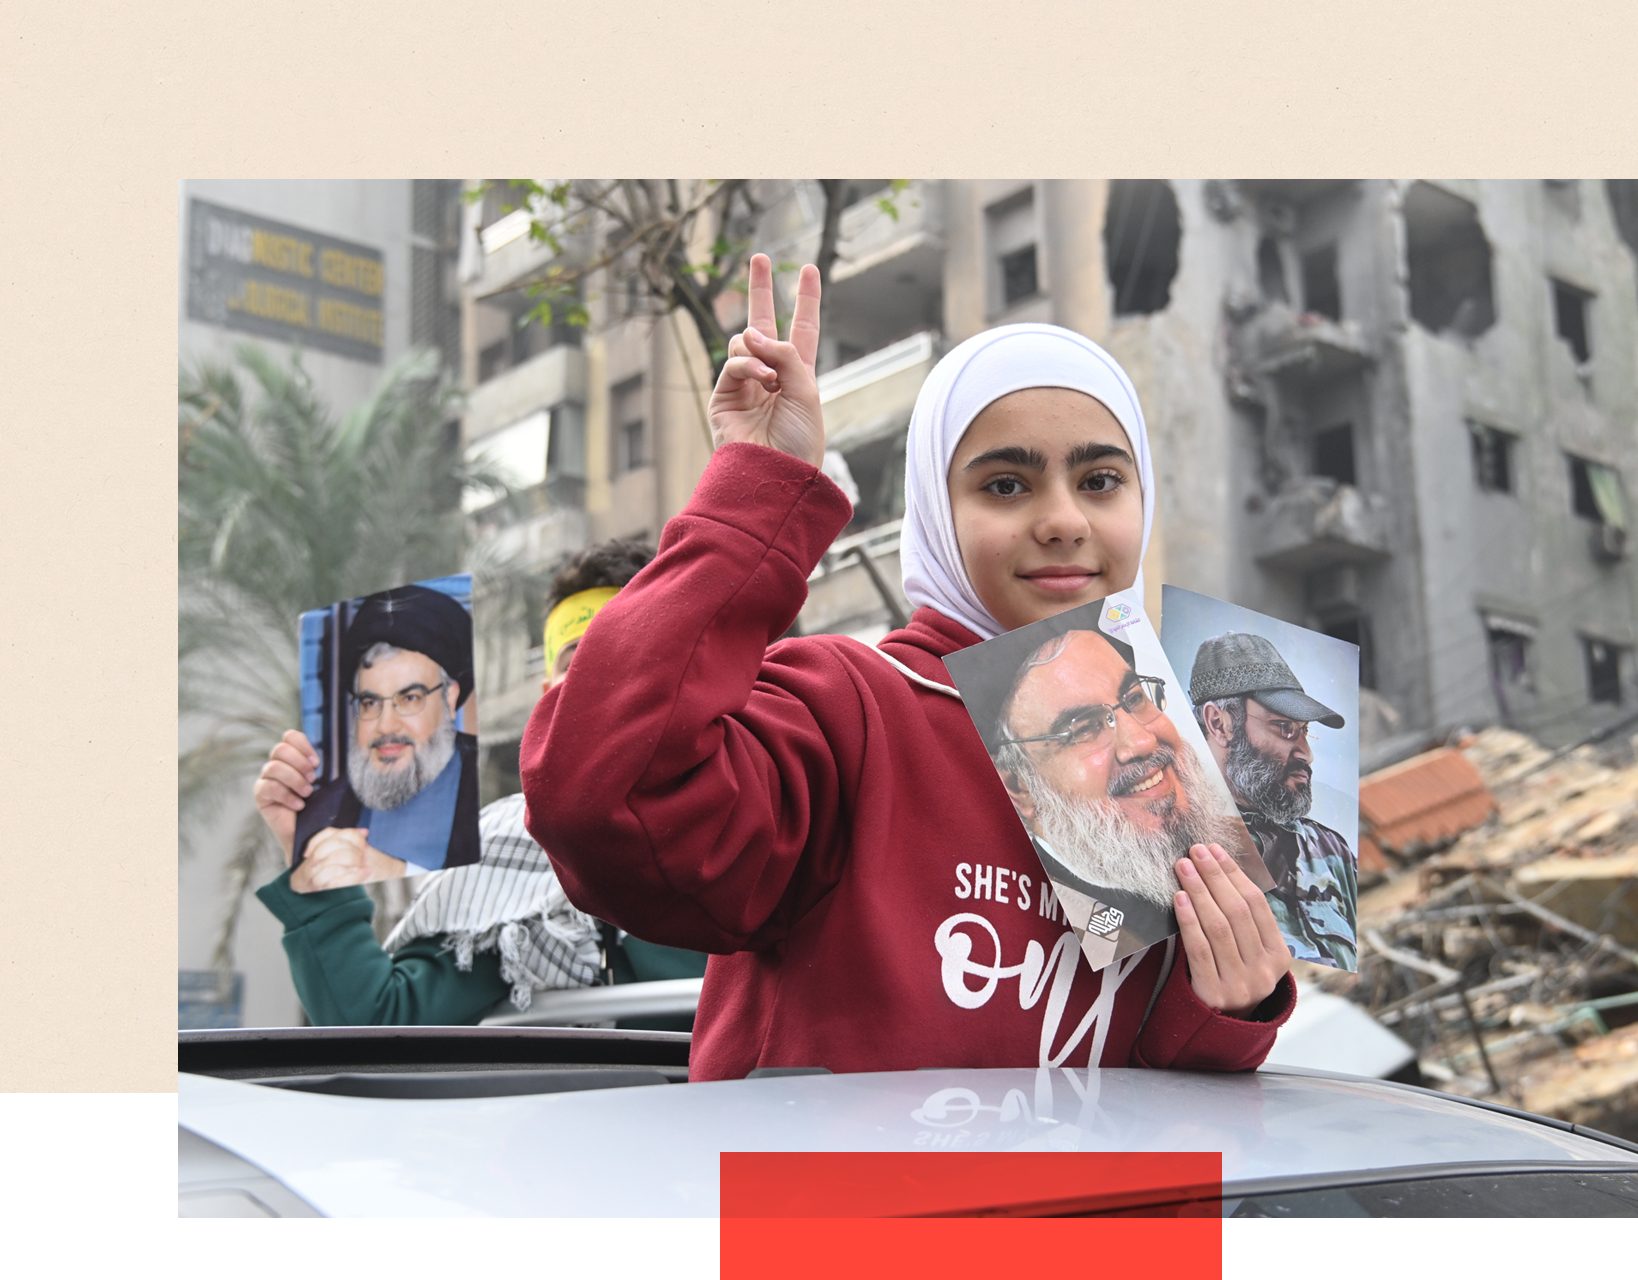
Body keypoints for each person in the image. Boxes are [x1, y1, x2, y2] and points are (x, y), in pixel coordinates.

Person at [522, 254, 1295, 1081]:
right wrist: (755, 495)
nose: (1065, 521)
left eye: (1101, 480)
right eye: (1006, 485)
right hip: (845, 1212)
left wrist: (1230, 1011)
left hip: (1093, 1213)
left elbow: (1152, 1091)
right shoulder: (846, 710)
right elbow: (604, 804)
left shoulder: (1185, 756)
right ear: (933, 504)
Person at [250, 537, 707, 1028]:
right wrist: (317, 849)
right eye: (576, 660)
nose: (601, 677)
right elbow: (379, 1020)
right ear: (545, 696)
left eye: (628, 651)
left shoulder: (772, 807)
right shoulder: (511, 862)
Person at [956, 611, 1249, 968]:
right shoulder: (1029, 931)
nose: (1141, 740)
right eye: (1084, 728)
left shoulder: (1250, 846)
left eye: (1135, 698)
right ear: (1019, 788)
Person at [1190, 631, 1360, 969]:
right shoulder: (1181, 848)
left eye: (1304, 731)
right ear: (1219, 724)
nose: (1307, 754)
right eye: (1284, 728)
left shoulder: (1330, 849)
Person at [291, 583, 481, 883]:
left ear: (449, 698)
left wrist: (400, 874)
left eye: (409, 698)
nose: (386, 726)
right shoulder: (317, 815)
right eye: (370, 703)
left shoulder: (494, 783)